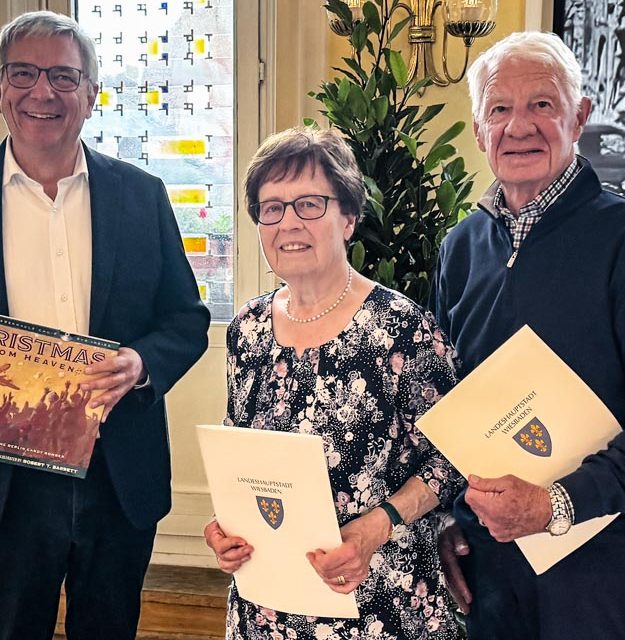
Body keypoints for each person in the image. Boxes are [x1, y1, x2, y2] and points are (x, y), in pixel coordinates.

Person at [0, 11, 209, 639]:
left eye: (63, 76)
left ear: (92, 93)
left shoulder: (142, 195)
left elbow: (185, 317)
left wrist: (141, 364)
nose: (42, 92)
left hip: (116, 471)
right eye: (23, 74)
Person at [430, 32, 625, 639]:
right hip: (490, 562)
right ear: (480, 131)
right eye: (499, 109)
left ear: (579, 117)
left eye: (543, 105)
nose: (520, 126)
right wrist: (451, 519)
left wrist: (559, 504)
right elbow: (453, 405)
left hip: (600, 569)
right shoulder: (460, 250)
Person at [203, 126, 463, 640]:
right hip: (268, 607)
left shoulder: (401, 328)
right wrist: (223, 528)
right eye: (271, 208)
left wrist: (376, 526)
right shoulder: (248, 331)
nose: (288, 223)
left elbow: (452, 458)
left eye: (309, 204)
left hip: (380, 602)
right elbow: (241, 458)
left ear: (348, 217)